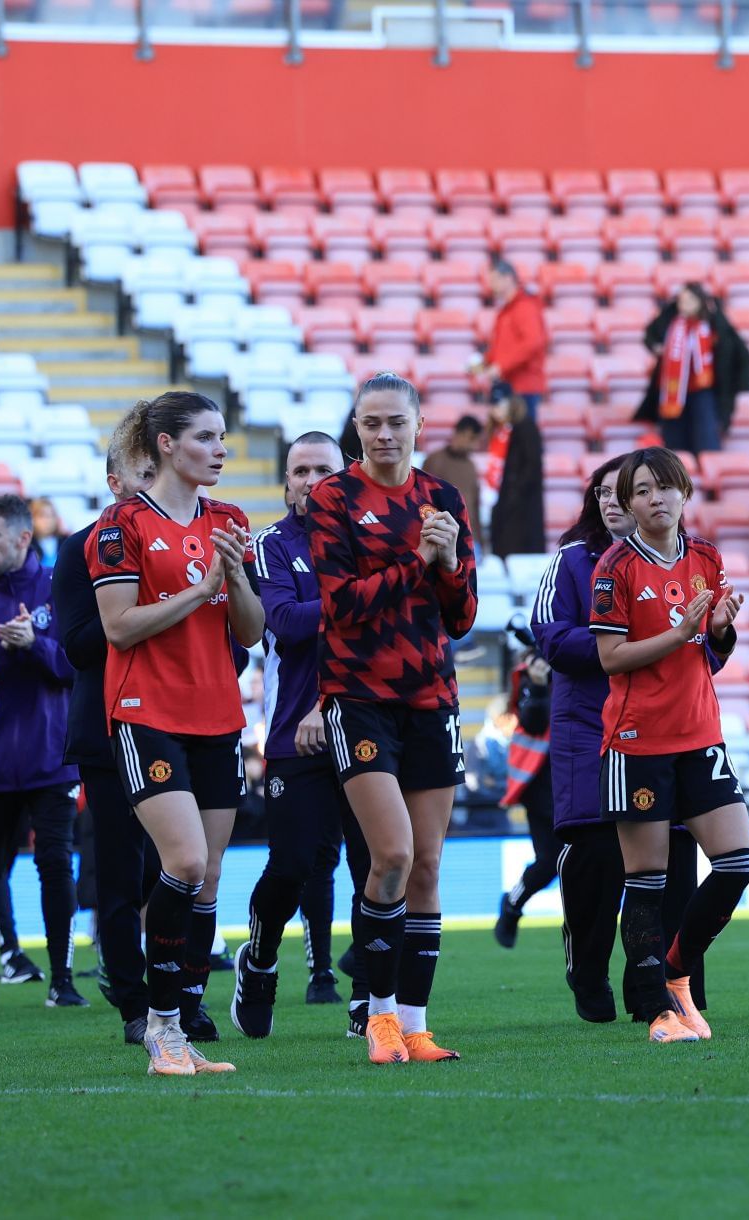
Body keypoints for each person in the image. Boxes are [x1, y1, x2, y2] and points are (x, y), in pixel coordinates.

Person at [89, 391, 263, 1076]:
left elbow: (250, 630)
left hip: (217, 712)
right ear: (166, 445)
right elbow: (118, 627)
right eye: (205, 438)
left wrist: (235, 577)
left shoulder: (229, 520)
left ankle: (180, 1023)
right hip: (146, 711)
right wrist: (198, 589)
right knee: (184, 863)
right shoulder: (121, 524)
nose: (220, 450)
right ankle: (161, 1027)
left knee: (207, 876)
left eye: (222, 437)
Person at [307, 372, 478, 1063]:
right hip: (359, 698)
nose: (383, 434)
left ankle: (415, 1023)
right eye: (371, 422)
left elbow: (462, 617)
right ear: (356, 427)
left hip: (432, 698)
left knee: (428, 866)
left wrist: (450, 563)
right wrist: (420, 560)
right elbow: (342, 605)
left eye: (395, 422)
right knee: (393, 856)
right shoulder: (332, 498)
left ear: (418, 426)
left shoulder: (444, 498)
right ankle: (377, 1016)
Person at [590, 447, 749, 1045]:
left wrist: (719, 630)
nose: (655, 498)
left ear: (684, 493)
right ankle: (656, 1011)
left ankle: (677, 972)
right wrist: (681, 631)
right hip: (638, 741)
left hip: (701, 734)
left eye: (664, 487)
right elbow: (610, 658)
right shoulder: (615, 566)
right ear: (629, 504)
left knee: (737, 863)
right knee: (646, 881)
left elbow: (710, 654)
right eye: (641, 491)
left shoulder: (706, 557)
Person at [531, 458, 709, 1023]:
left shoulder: (690, 561)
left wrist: (709, 638)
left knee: (675, 858)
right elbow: (550, 639)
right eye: (602, 493)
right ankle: (588, 973)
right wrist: (631, 643)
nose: (610, 502)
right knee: (596, 857)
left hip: (668, 727)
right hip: (590, 727)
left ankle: (667, 990)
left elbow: (703, 650)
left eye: (621, 492)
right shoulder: (572, 562)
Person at [229, 433, 373, 1040]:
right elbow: (285, 623)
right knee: (290, 866)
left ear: (346, 476)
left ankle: (368, 998)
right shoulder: (271, 544)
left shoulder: (370, 538)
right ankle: (260, 960)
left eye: (323, 470)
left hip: (366, 724)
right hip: (295, 733)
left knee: (372, 868)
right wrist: (364, 601)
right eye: (300, 471)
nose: (311, 481)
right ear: (286, 482)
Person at [0, 495, 85, 1009]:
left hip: (51, 757)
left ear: (23, 538)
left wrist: (37, 645)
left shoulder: (60, 586)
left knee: (54, 863)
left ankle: (62, 980)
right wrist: (0, 649)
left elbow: (81, 664)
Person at [53, 439, 161, 1047]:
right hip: (109, 727)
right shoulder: (81, 547)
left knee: (182, 868)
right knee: (123, 871)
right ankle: (134, 1003)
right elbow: (79, 645)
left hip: (184, 721)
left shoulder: (192, 538)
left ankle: (178, 995)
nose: (153, 483)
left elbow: (234, 646)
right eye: (142, 474)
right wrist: (148, 608)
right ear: (114, 482)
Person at [491, 645, 556, 948]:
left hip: (577, 779)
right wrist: (539, 686)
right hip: (543, 786)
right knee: (550, 862)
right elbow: (532, 722)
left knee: (583, 861)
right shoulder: (533, 674)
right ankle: (513, 905)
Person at [637, 284, 749, 455]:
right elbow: (650, 336)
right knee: (674, 442)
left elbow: (734, 349)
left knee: (706, 437)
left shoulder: (713, 322)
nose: (684, 304)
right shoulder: (671, 319)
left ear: (700, 301)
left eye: (690, 299)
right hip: (674, 390)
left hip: (703, 390)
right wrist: (657, 347)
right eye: (681, 300)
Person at [478, 260, 548, 422]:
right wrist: (486, 362)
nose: (491, 285)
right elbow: (502, 346)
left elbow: (533, 342)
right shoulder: (508, 310)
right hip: (510, 384)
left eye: (494, 280)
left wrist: (501, 366)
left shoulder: (523, 307)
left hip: (522, 386)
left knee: (521, 432)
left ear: (508, 278)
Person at [487, 393, 547, 558]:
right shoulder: (510, 430)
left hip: (521, 503)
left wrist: (515, 490)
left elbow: (531, 465)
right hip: (512, 497)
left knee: (516, 546)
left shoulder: (526, 429)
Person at [421, 415, 486, 538]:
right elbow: (422, 501)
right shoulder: (434, 461)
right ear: (459, 433)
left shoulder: (471, 466)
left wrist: (480, 539)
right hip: (441, 535)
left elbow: (475, 505)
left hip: (468, 537)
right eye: (472, 438)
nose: (475, 446)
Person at [30, 498, 66, 567]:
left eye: (50, 516)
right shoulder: (28, 545)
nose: (47, 521)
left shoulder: (65, 542)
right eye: (42, 516)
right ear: (32, 519)